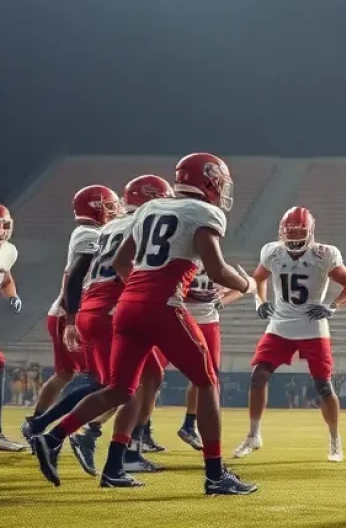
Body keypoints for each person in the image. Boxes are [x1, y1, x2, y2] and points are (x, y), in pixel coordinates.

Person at [29, 153, 258, 496]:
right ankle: (215, 475)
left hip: (126, 307)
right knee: (207, 382)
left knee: (120, 389)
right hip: (162, 305)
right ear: (210, 179)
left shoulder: (151, 209)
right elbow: (217, 268)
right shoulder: (204, 213)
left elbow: (123, 261)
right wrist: (246, 285)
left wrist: (139, 292)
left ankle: (53, 436)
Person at [27, 176, 173, 483]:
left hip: (99, 308)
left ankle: (114, 449)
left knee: (149, 376)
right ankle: (81, 443)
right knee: (123, 388)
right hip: (109, 310)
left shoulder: (108, 228)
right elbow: (87, 272)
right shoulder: (127, 227)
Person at [232, 206, 346, 463]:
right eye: (290, 241)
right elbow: (257, 278)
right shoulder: (272, 250)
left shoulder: (325, 254)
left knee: (323, 386)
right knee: (258, 376)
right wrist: (260, 301)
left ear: (311, 234)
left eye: (299, 242)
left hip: (313, 327)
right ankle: (254, 434)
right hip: (280, 325)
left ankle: (335, 440)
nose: (294, 247)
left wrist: (333, 305)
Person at [178, 264, 243, 450]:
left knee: (207, 376)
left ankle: (189, 424)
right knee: (152, 375)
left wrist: (221, 301)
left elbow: (238, 289)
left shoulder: (217, 264)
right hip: (178, 317)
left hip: (208, 321)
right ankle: (142, 431)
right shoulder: (181, 258)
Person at [0, 204, 28, 451]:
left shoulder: (9, 250)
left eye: (6, 224)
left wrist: (12, 295)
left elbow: (5, 276)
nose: (5, 229)